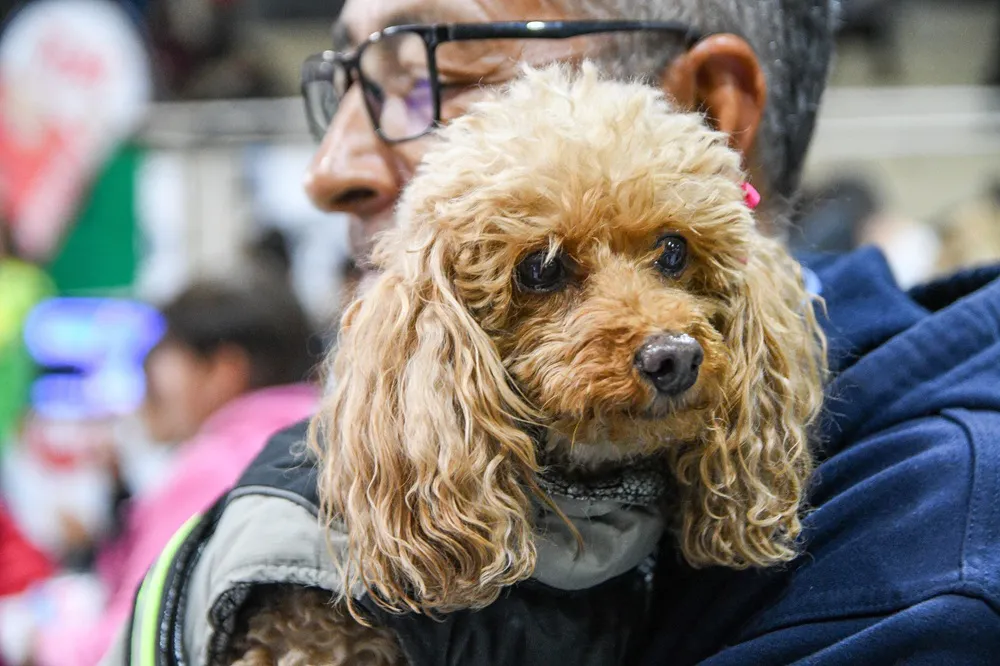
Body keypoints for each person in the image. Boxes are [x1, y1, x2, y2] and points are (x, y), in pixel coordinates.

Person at [107, 0, 1000, 664]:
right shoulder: (320, 546)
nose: (327, 169)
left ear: (708, 114)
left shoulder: (925, 564)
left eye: (428, 74)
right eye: (543, 272)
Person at [41, 271, 318, 666]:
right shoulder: (320, 437)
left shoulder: (217, 466)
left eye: (159, 360)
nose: (144, 387)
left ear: (224, 369)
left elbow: (131, 638)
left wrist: (39, 639)